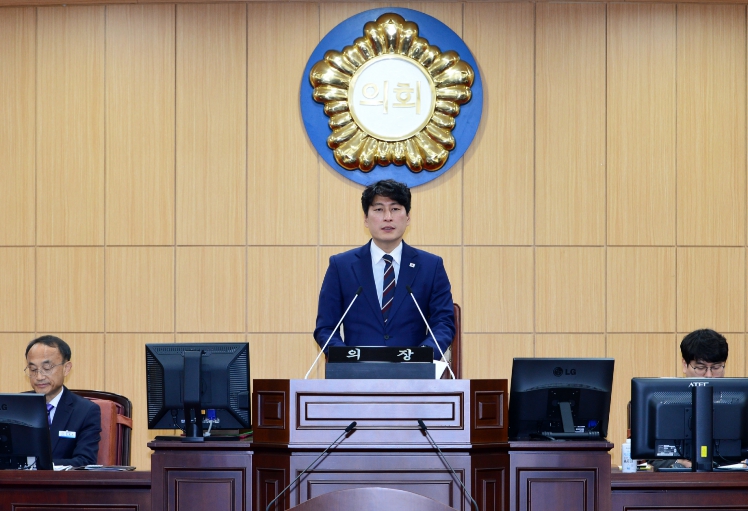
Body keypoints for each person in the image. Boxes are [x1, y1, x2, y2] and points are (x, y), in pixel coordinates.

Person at [314, 179, 455, 360]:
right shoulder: (341, 266)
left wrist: (420, 357)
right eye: (379, 209)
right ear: (366, 219)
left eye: (395, 209)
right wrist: (347, 359)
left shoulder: (431, 266)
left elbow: (443, 323)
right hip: (357, 372)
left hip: (413, 372)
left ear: (408, 217)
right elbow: (326, 328)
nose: (388, 217)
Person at [650, 328, 728, 470]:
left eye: (716, 367)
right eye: (700, 367)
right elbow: (651, 455)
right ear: (685, 365)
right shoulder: (665, 404)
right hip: (679, 479)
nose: (709, 375)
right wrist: (679, 463)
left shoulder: (736, 402)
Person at [25, 335, 101, 467]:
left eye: (47, 368)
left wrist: (39, 466)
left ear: (66, 368)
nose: (39, 376)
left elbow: (85, 461)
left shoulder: (85, 411)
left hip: (61, 481)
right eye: (33, 369)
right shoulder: (15, 405)